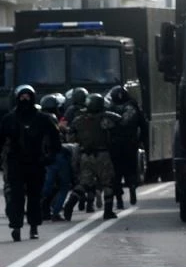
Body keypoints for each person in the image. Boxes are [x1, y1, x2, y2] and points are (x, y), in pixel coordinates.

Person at [0, 85, 61, 241]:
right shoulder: (9, 119)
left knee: (35, 197)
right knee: (16, 196)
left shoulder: (42, 119)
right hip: (16, 163)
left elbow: (55, 138)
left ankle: (34, 227)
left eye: (28, 96)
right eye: (22, 96)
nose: (25, 99)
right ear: (17, 98)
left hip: (36, 162)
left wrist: (51, 156)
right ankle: (16, 226)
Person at [62, 93, 121, 221]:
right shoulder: (105, 118)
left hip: (85, 155)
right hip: (102, 154)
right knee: (108, 183)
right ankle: (108, 211)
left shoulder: (79, 120)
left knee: (84, 184)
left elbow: (70, 137)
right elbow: (119, 123)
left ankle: (69, 205)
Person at [107, 85, 145, 209]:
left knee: (116, 175)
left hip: (114, 145)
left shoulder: (110, 109)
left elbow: (105, 127)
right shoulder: (132, 107)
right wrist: (141, 141)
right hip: (130, 144)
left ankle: (119, 200)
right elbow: (143, 124)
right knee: (131, 169)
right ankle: (132, 186)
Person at [39, 93, 73, 222]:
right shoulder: (52, 119)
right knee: (64, 185)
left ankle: (38, 207)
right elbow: (58, 137)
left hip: (42, 156)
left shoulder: (36, 118)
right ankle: (56, 211)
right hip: (56, 156)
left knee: (46, 186)